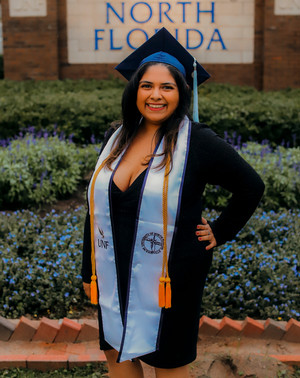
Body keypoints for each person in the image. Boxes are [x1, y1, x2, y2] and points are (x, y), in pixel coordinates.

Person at [82, 28, 265, 378]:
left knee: (167, 363)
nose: (155, 95)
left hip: (169, 274)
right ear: (134, 90)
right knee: (116, 353)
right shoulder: (115, 138)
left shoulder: (197, 141)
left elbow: (250, 186)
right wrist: (87, 270)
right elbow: (95, 207)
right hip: (112, 265)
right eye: (147, 85)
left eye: (167, 87)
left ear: (181, 93)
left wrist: (220, 230)